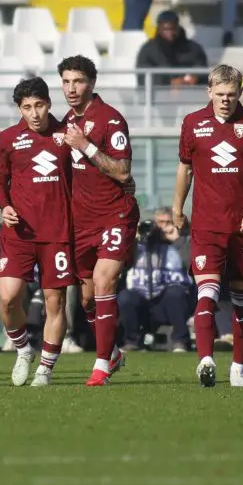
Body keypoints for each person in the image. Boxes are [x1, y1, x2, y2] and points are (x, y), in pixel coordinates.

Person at [173, 64, 243, 387]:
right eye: (219, 94)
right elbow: (185, 169)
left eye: (231, 94)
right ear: (209, 92)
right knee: (206, 292)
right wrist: (177, 207)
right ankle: (206, 360)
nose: (225, 100)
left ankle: (238, 368)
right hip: (207, 226)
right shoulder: (193, 123)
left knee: (242, 298)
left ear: (240, 93)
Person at [57, 55, 140, 386]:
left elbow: (122, 171)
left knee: (105, 281)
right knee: (88, 298)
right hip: (82, 221)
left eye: (78, 81)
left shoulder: (111, 120)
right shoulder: (66, 120)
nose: (71, 88)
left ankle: (101, 366)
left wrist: (85, 146)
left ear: (91, 83)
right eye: (66, 81)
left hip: (115, 215)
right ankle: (113, 352)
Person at [0, 78, 75, 387]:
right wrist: (4, 206)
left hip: (57, 233)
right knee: (8, 298)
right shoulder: (7, 139)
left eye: (39, 105)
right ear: (19, 109)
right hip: (19, 233)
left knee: (55, 303)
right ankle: (24, 349)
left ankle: (45, 370)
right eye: (27, 107)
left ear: (49, 104)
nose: (34, 113)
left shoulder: (68, 135)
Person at [118, 220, 194, 352]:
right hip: (140, 301)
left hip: (163, 303)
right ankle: (132, 341)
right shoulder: (134, 250)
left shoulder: (170, 252)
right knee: (125, 297)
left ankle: (180, 341)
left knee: (176, 293)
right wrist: (132, 238)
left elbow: (182, 281)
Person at [135, 10, 209, 87]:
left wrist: (195, 77)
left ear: (178, 28)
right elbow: (143, 77)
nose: (170, 32)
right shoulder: (148, 50)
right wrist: (170, 82)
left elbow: (202, 66)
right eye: (165, 29)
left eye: (172, 29)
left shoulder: (193, 48)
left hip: (190, 91)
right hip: (160, 93)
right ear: (159, 29)